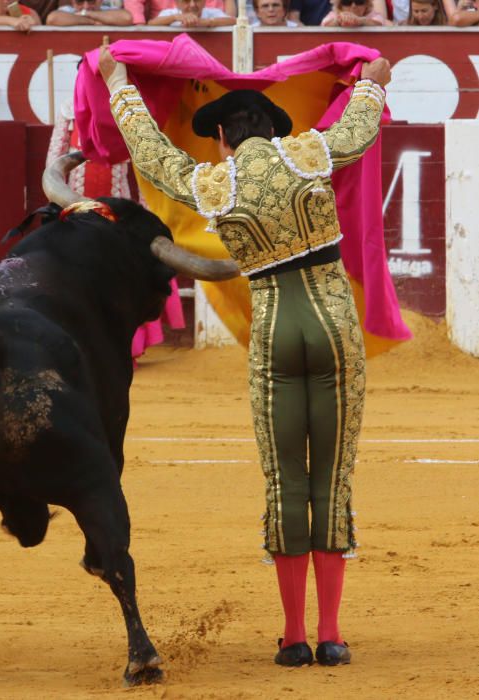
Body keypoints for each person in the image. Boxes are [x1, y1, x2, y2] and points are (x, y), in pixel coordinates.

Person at [98, 43, 391, 667]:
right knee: (331, 478)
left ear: (224, 139)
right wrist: (373, 83)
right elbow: (361, 126)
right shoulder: (310, 151)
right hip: (335, 326)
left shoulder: (212, 179)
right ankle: (332, 635)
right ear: (271, 131)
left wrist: (118, 81)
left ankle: (292, 638)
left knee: (286, 482)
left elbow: (150, 152)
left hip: (275, 328)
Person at [46, 96, 186, 361]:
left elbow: (144, 169)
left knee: (122, 278)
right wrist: (57, 209)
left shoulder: (127, 113)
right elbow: (54, 161)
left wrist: (146, 212)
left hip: (118, 213)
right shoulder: (69, 113)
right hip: (78, 210)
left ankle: (127, 347)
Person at [148, 0, 235, 25]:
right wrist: (174, 18)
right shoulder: (170, 13)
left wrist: (207, 22)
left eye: (197, 0)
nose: (192, 5)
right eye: (186, 1)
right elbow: (151, 23)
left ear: (204, 2)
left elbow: (234, 21)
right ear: (177, 3)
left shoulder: (212, 13)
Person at [46, 0, 132, 25]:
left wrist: (87, 14)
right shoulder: (67, 10)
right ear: (72, 2)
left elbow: (126, 18)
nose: (86, 6)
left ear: (100, 1)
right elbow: (52, 19)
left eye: (91, 1)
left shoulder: (107, 9)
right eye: (80, 1)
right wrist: (92, 21)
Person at [320, 0, 386, 25]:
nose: (353, 6)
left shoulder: (372, 14)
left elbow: (379, 23)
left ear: (366, 4)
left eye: (359, 2)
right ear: (340, 6)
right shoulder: (334, 15)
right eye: (347, 2)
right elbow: (324, 25)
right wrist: (338, 20)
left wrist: (360, 20)